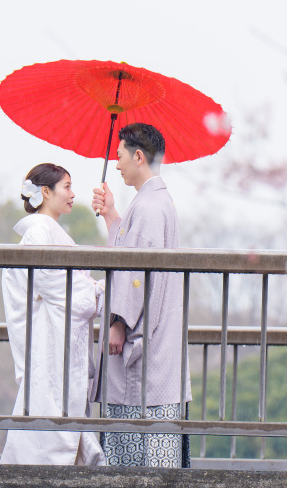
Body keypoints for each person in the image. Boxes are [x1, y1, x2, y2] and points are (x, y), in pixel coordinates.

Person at [91, 122, 191, 468]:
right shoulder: (153, 201)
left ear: (137, 156)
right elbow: (134, 253)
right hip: (157, 337)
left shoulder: (148, 207)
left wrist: (118, 321)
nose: (115, 164)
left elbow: (136, 274)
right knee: (156, 447)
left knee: (134, 461)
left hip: (142, 339)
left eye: (119, 156)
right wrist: (112, 214)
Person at [1, 163, 105, 466]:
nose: (73, 194)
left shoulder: (49, 231)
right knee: (49, 410)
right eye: (67, 187)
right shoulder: (39, 233)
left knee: (57, 409)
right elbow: (60, 288)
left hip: (59, 336)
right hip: (51, 338)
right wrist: (97, 292)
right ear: (45, 192)